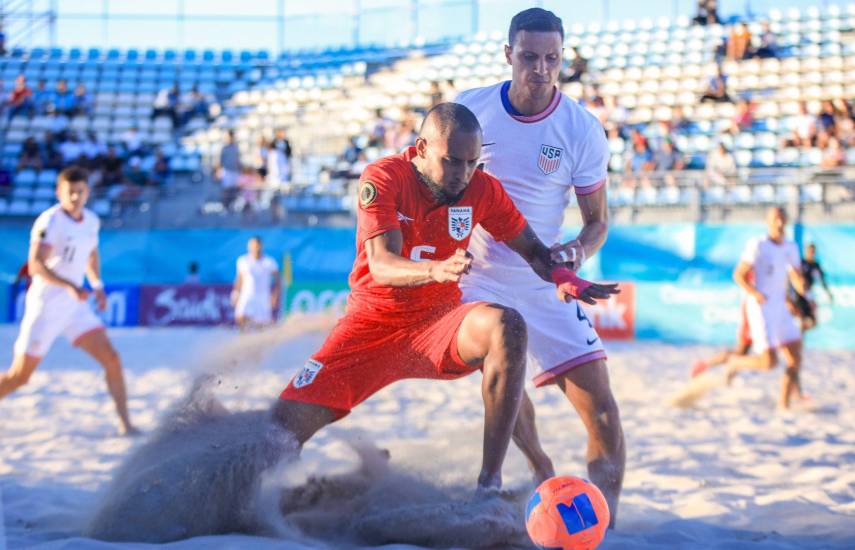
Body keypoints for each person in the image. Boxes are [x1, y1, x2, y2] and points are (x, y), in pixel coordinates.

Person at [272, 103, 619, 492]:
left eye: (472, 162)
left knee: (506, 326)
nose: (463, 174)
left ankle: (489, 484)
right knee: (279, 431)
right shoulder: (383, 177)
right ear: (421, 148)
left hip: (438, 323)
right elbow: (383, 263)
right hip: (372, 325)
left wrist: (562, 275)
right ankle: (279, 500)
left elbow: (533, 250)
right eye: (452, 162)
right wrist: (434, 270)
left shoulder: (481, 188)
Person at [454, 8, 625, 524]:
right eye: (529, 57)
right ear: (508, 55)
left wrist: (578, 250)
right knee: (503, 382)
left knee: (600, 406)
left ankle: (606, 524)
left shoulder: (581, 129)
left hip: (544, 277)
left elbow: (597, 223)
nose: (541, 69)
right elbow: (435, 188)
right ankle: (540, 468)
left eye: (552, 58)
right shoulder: (468, 111)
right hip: (477, 278)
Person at [0, 166, 137, 435]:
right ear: (59, 192)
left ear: (88, 192)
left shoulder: (91, 221)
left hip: (75, 306)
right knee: (20, 377)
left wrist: (97, 286)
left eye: (80, 192)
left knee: (112, 358)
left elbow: (91, 256)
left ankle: (126, 424)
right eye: (70, 192)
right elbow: (36, 265)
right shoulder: (50, 221)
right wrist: (70, 286)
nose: (75, 197)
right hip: (46, 305)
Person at [725, 207, 807, 410]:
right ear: (768, 222)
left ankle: (784, 404)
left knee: (795, 355)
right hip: (761, 306)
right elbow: (738, 275)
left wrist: (802, 290)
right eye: (775, 219)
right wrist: (755, 293)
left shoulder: (791, 247)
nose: (779, 224)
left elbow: (795, 276)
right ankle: (735, 363)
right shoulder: (758, 244)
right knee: (769, 362)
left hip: (781, 305)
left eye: (782, 219)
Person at [231, 236, 281, 330]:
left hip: (263, 297)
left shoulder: (269, 262)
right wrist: (235, 292)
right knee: (241, 318)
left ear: (261, 246)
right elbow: (239, 278)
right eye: (252, 245)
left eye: (257, 245)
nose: (255, 248)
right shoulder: (242, 260)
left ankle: (257, 342)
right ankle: (243, 339)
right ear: (249, 246)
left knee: (261, 325)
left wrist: (275, 295)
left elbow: (278, 279)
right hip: (247, 295)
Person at [790, 243, 834, 331]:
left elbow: (822, 280)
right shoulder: (801, 263)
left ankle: (803, 335)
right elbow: (792, 278)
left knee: (813, 320)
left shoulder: (816, 265)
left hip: (809, 294)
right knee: (801, 317)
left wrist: (828, 293)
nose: (811, 253)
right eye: (809, 251)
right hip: (799, 294)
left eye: (812, 251)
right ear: (805, 251)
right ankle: (799, 335)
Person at [218, 129, 241, 208]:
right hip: (227, 171)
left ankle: (233, 205)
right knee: (226, 190)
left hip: (235, 171)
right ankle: (225, 206)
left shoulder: (236, 147)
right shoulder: (224, 148)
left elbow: (238, 159)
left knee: (235, 189)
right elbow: (221, 160)